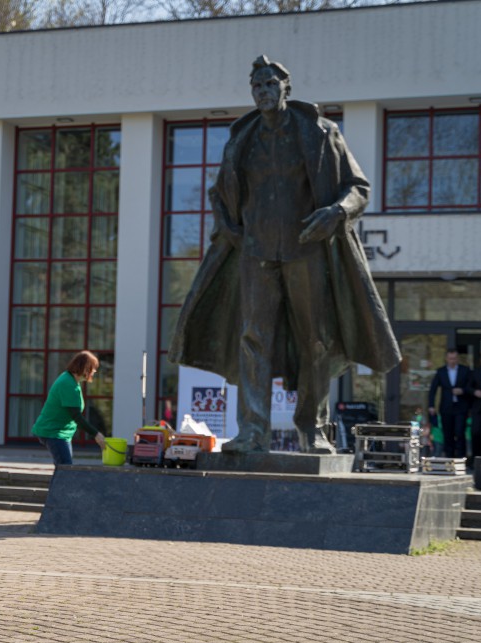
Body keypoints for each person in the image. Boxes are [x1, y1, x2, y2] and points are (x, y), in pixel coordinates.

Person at [169, 55, 400, 455]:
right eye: (257, 86)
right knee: (252, 339)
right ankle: (252, 431)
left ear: (286, 89)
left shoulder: (320, 132)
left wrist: (336, 212)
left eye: (270, 84)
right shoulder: (241, 140)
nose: (263, 91)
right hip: (254, 252)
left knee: (316, 341)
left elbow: (358, 188)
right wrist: (228, 226)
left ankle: (313, 429)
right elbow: (219, 193)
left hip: (305, 250)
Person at [31, 351, 107, 465]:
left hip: (61, 433)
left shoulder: (72, 380)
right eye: (93, 368)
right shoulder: (68, 384)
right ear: (85, 368)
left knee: (65, 469)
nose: (94, 371)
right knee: (65, 468)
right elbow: (77, 417)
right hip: (53, 432)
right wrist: (96, 434)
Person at [428, 349, 472, 459]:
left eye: (454, 358)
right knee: (448, 433)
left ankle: (461, 458)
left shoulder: (465, 370)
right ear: (446, 359)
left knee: (460, 432)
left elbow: (471, 387)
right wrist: (431, 405)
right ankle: (449, 458)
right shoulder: (441, 371)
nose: (452, 361)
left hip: (461, 407)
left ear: (458, 359)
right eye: (450, 358)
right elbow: (433, 390)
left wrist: (462, 390)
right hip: (446, 407)